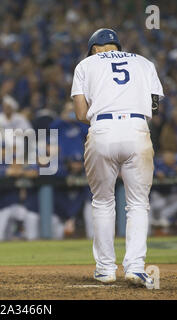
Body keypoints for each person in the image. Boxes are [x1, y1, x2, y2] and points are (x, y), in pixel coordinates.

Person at [71, 28, 164, 289]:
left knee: (102, 202)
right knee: (137, 204)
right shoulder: (145, 63)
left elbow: (80, 113)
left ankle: (105, 270)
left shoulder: (86, 64)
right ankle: (135, 267)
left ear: (96, 48)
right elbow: (154, 107)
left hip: (102, 130)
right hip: (137, 130)